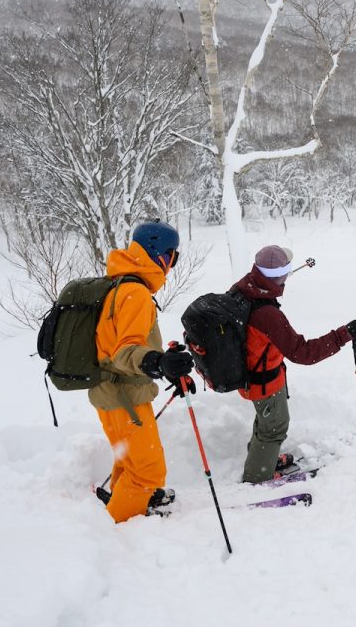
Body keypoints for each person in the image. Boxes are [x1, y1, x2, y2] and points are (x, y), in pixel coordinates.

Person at [231, 244, 356, 483]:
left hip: (250, 374)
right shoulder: (268, 315)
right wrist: (343, 334)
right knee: (274, 426)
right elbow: (303, 353)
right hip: (265, 382)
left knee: (266, 420)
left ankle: (263, 457)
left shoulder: (245, 288)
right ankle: (258, 474)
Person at [92, 220, 195, 522]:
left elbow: (119, 345)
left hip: (111, 392)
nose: (172, 266)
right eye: (173, 257)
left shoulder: (119, 284)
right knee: (149, 472)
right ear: (159, 254)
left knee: (130, 459)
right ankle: (115, 525)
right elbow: (126, 350)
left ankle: (127, 498)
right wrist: (157, 363)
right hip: (125, 395)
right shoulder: (134, 292)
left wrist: (163, 362)